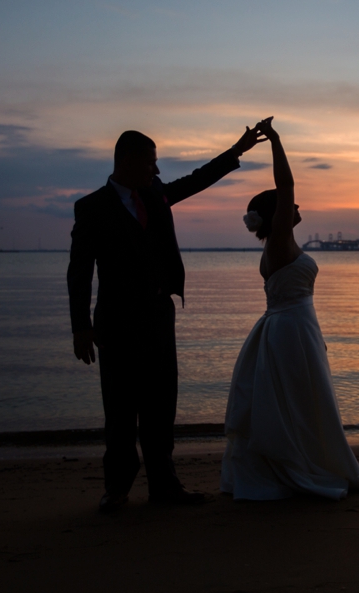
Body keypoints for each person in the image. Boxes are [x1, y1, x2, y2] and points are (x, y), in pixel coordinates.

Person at [68, 123, 266, 512]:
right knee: (121, 411)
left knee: (161, 406)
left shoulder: (156, 194)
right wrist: (80, 328)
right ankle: (117, 489)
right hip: (116, 325)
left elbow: (198, 179)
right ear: (127, 161)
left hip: (159, 318)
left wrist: (238, 148)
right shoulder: (91, 208)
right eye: (150, 163)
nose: (156, 172)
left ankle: (164, 486)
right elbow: (79, 271)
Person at [221, 118, 359, 500]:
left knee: (305, 402)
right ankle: (305, 468)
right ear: (278, 214)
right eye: (290, 205)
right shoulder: (278, 242)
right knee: (300, 403)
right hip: (290, 330)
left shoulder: (279, 245)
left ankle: (316, 462)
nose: (298, 205)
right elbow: (287, 186)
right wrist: (275, 140)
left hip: (295, 327)